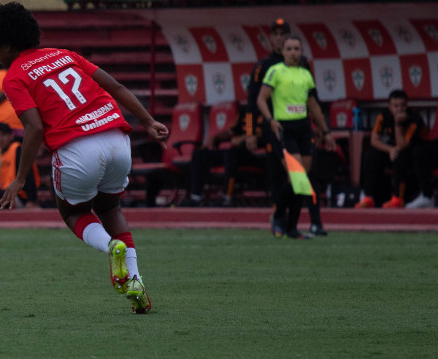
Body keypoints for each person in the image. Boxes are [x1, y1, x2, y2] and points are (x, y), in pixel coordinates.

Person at [0, 2, 169, 314]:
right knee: (110, 207)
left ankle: (111, 247)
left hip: (76, 148)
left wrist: (20, 178)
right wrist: (148, 121)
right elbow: (116, 86)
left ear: (8, 45)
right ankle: (134, 279)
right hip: (117, 139)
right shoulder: (65, 54)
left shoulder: (14, 76)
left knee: (72, 213)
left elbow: (35, 129)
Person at [256, 35, 335, 238]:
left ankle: (290, 226)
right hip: (284, 129)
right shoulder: (275, 72)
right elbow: (260, 99)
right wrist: (270, 120)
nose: (293, 53)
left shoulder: (305, 74)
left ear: (301, 52)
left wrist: (325, 131)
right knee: (297, 176)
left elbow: (313, 105)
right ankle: (280, 216)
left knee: (301, 181)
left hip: (303, 129)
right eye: (290, 49)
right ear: (283, 52)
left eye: (297, 49)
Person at [354, 90, 428, 209]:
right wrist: (389, 149)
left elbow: (403, 145)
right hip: (393, 150)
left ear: (407, 105)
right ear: (389, 106)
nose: (399, 109)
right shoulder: (383, 116)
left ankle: (398, 198)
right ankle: (368, 197)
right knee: (370, 155)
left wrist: (398, 124)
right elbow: (374, 140)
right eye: (396, 106)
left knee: (400, 155)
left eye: (402, 106)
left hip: (414, 153)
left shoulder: (414, 118)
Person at [181, 104, 266, 207]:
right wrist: (215, 138)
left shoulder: (267, 109)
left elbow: (266, 133)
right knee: (199, 154)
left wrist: (244, 138)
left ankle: (227, 197)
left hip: (256, 155)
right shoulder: (247, 110)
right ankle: (196, 196)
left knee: (231, 153)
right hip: (237, 151)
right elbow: (232, 131)